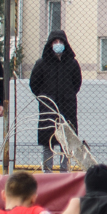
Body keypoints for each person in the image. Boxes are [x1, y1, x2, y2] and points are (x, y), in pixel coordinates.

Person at [29, 30, 83, 172]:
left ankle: (64, 172)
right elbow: (34, 84)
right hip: (48, 108)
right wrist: (44, 98)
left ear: (65, 44)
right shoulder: (41, 63)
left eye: (60, 42)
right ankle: (47, 172)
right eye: (55, 42)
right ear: (50, 44)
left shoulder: (72, 63)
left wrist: (68, 95)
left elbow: (77, 83)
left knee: (66, 142)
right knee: (48, 142)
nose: (58, 44)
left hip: (67, 107)